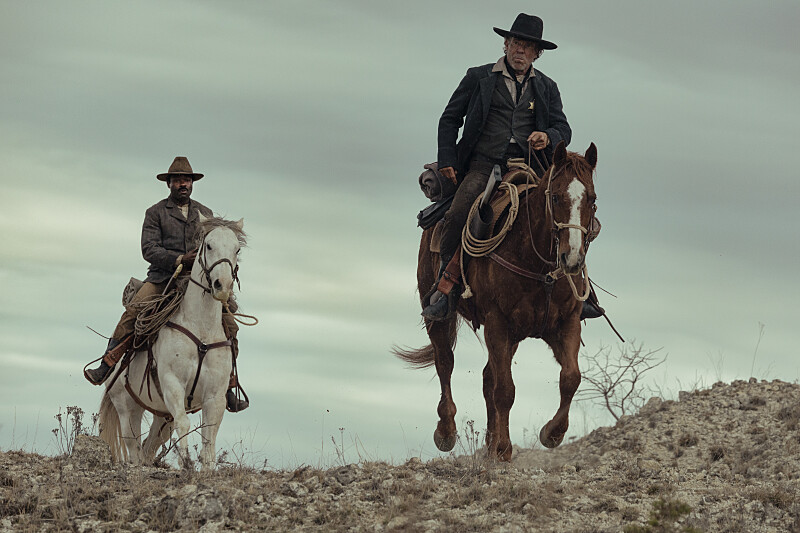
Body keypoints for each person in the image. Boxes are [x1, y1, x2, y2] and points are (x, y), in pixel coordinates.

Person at [423, 13, 602, 321]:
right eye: (516, 43)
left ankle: (581, 289)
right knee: (456, 215)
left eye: (528, 47)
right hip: (482, 166)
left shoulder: (547, 87)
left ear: (537, 54)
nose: (521, 51)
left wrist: (547, 136)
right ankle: (447, 288)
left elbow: (563, 127)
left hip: (532, 166)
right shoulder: (477, 77)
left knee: (570, 213)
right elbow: (449, 119)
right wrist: (448, 160)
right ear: (506, 44)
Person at [84, 156, 249, 412]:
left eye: (186, 180)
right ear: (169, 184)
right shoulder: (155, 212)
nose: (183, 184)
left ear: (192, 183)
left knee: (230, 326)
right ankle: (107, 364)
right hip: (163, 278)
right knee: (133, 312)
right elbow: (148, 249)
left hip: (198, 282)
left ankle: (228, 385)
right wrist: (179, 258)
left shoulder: (206, 214)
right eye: (177, 180)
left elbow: (214, 248)